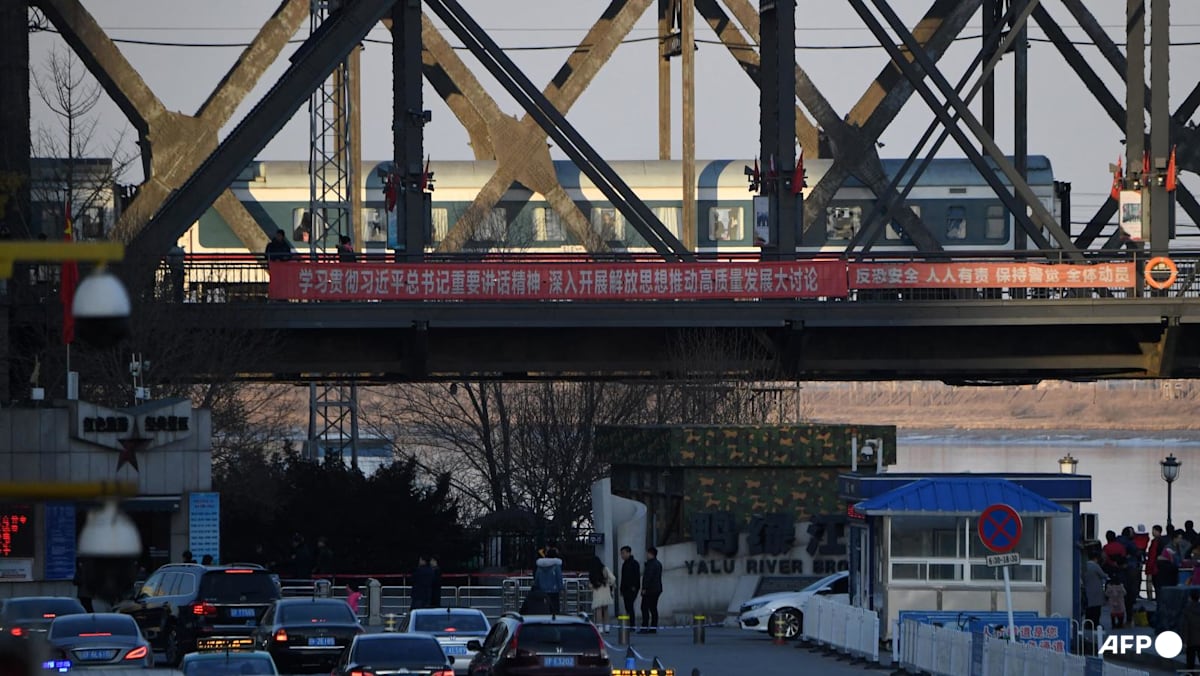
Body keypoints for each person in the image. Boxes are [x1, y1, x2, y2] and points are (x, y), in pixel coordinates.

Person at [587, 555, 616, 632]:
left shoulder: (592, 571)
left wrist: (593, 587)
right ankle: (607, 627)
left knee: (598, 610)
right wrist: (608, 583)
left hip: (597, 592)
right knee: (605, 609)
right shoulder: (604, 569)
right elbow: (613, 578)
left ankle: (600, 627)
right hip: (605, 590)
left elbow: (590, 585)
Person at [639, 547, 663, 634]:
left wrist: (644, 588)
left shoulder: (651, 564)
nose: (646, 555)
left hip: (650, 590)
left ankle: (645, 626)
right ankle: (653, 627)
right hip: (657, 589)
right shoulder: (658, 563)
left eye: (647, 553)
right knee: (653, 608)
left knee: (644, 607)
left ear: (650, 554)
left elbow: (648, 577)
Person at [534, 547, 565, 614]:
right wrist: (561, 588)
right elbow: (559, 577)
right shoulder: (556, 566)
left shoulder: (540, 566)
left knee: (543, 609)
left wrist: (536, 587)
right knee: (554, 609)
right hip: (554, 591)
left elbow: (537, 578)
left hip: (542, 591)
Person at [1084, 549, 1107, 629]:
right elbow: (1103, 575)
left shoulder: (1085, 565)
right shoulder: (1095, 566)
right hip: (1096, 590)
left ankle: (1088, 624)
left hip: (1087, 589)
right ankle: (1095, 624)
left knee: (1089, 609)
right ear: (1096, 558)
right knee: (1097, 609)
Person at [619, 546, 640, 623]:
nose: (622, 555)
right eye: (621, 553)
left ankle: (632, 624)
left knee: (630, 606)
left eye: (623, 553)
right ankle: (628, 623)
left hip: (632, 589)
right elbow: (623, 578)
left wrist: (635, 587)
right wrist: (621, 589)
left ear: (628, 553)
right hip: (625, 589)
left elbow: (637, 577)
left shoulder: (634, 563)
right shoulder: (624, 564)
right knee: (627, 607)